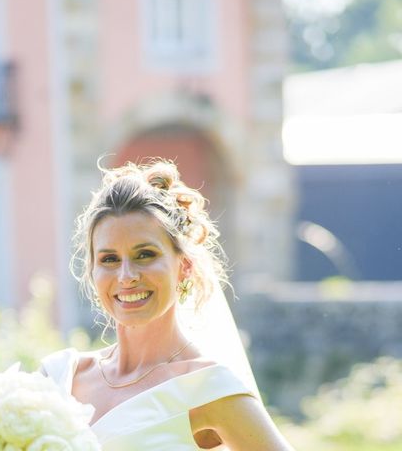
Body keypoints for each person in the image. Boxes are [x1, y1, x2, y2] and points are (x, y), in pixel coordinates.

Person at [40, 159, 294, 450]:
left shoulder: (207, 387)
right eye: (109, 259)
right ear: (92, 271)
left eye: (145, 255)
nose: (126, 276)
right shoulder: (58, 376)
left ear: (183, 265)